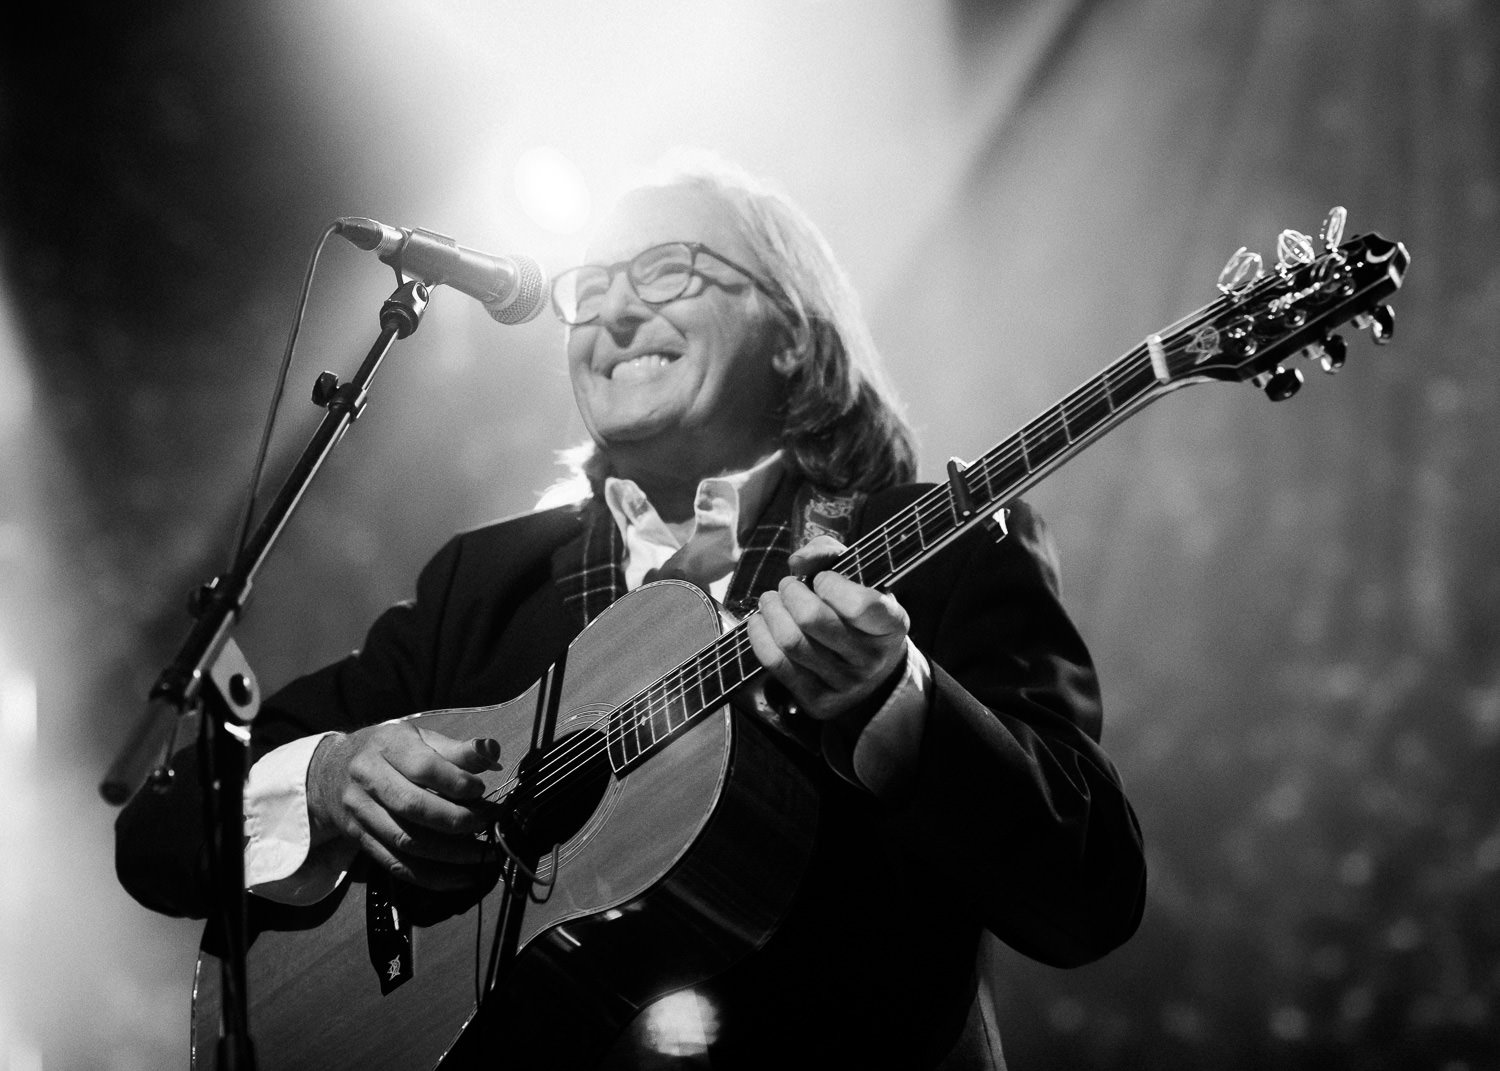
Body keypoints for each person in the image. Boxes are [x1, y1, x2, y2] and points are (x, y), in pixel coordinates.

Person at [115, 150, 1147, 1069]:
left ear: (791, 337)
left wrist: (902, 703)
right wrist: (334, 780)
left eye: (668, 272)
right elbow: (161, 834)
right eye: (593, 286)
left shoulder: (943, 548)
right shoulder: (487, 582)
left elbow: (1089, 893)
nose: (611, 314)